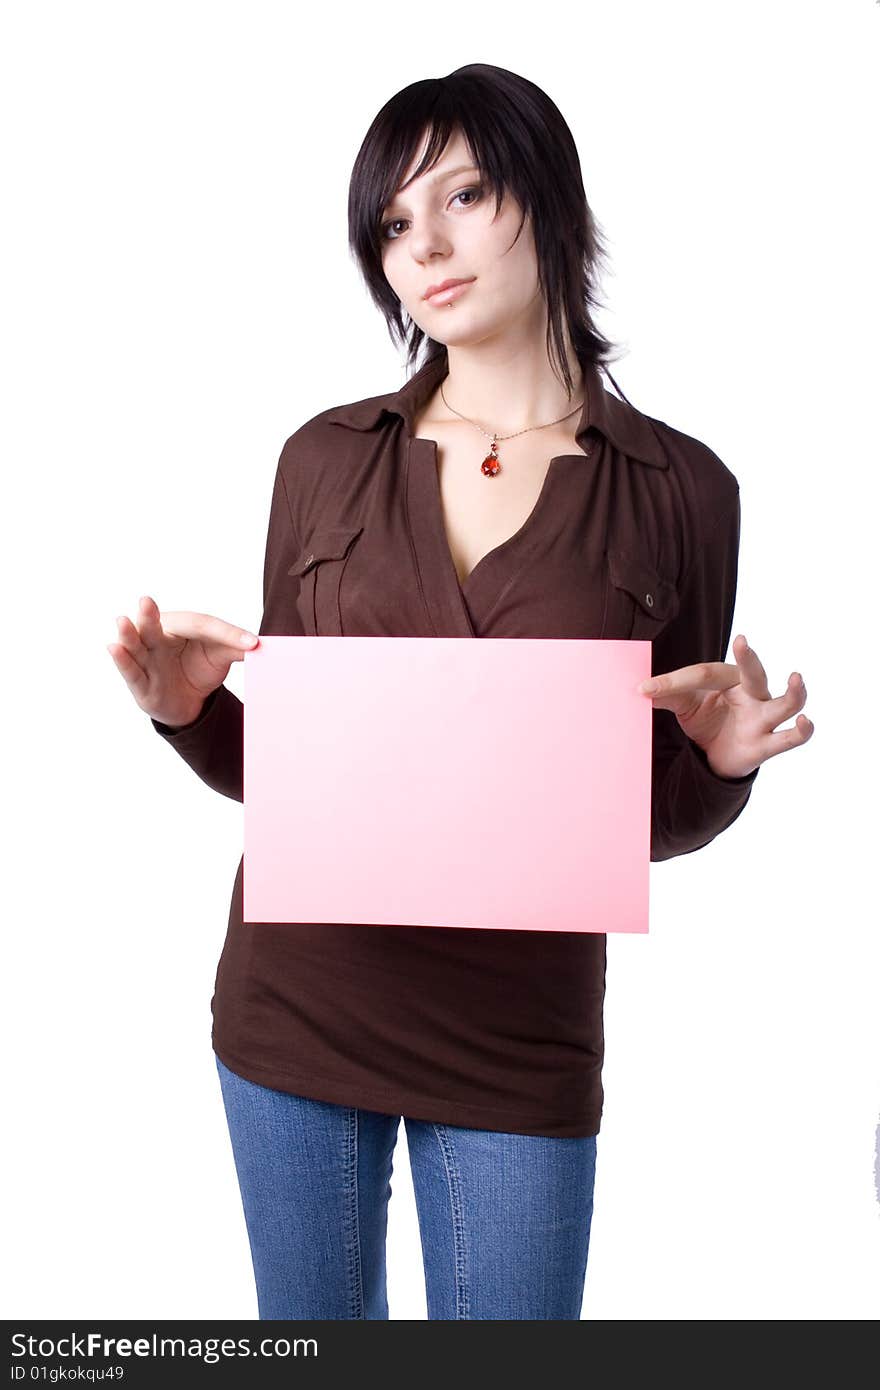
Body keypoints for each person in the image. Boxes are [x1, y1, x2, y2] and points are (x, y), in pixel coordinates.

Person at [106, 64, 812, 1320]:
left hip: (515, 1035)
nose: (422, 245)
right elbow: (308, 790)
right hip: (296, 1009)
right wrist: (188, 714)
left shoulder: (683, 492)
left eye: (464, 194)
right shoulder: (321, 462)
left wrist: (720, 766)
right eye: (390, 222)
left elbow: (627, 823)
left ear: (545, 196)